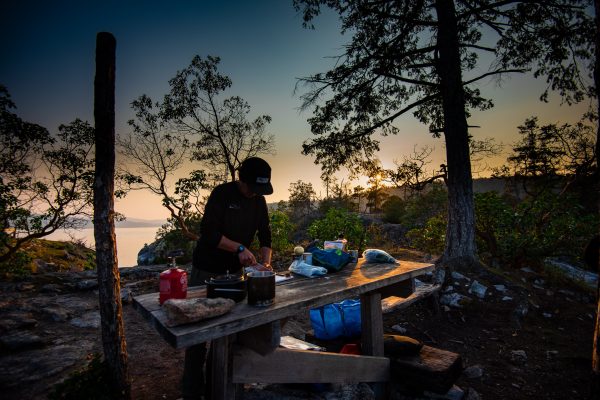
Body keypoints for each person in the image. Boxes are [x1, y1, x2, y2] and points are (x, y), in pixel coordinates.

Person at [182, 156, 274, 400]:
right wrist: (240, 249)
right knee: (198, 333)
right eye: (252, 187)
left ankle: (217, 388)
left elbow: (266, 235)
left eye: (259, 189)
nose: (255, 193)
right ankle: (191, 392)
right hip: (207, 270)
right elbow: (209, 234)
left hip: (234, 274)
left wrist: (265, 264)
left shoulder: (259, 201)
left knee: (227, 332)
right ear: (241, 179)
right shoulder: (222, 194)